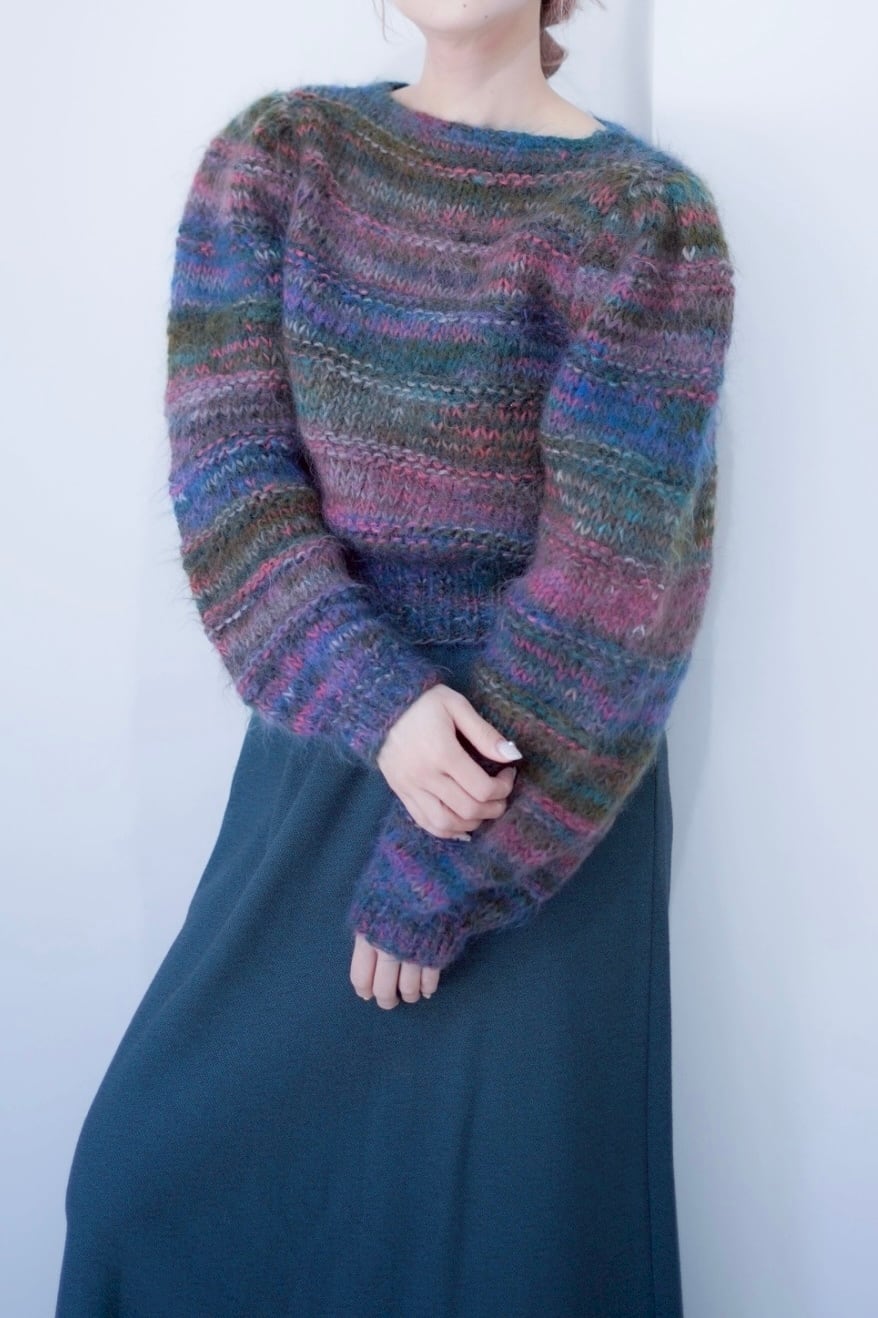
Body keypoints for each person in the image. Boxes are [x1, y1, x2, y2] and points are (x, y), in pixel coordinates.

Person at [54, 1, 736, 1313]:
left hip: (540, 789)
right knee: (142, 1190)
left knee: (509, 1255)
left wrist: (447, 867)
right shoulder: (278, 159)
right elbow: (229, 482)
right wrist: (382, 705)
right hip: (328, 764)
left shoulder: (642, 219)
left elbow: (620, 579)